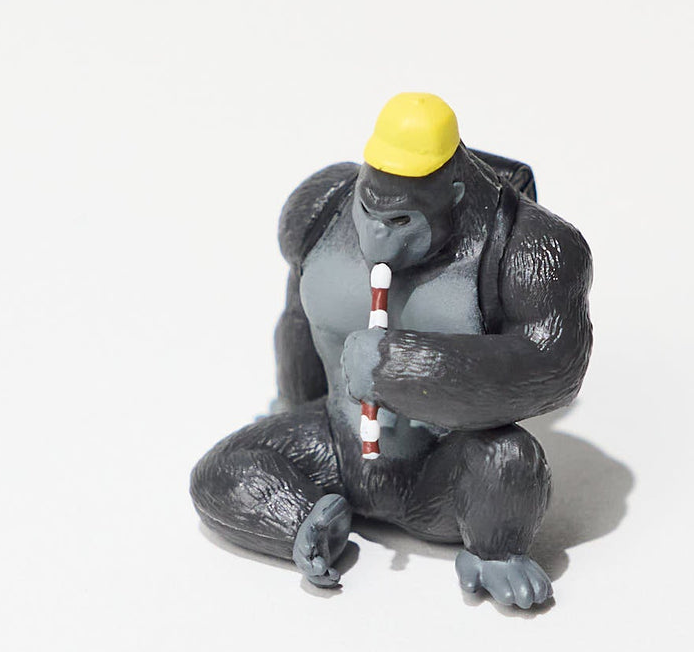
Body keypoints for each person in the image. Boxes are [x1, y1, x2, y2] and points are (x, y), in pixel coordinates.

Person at [190, 93, 593, 609]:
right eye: (369, 212)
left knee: (510, 459)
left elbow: (553, 364)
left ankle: (494, 551)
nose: (377, 241)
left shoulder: (527, 245)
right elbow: (298, 318)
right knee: (222, 471)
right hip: (337, 443)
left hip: (441, 469)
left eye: (401, 222)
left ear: (453, 195)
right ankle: (306, 523)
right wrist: (294, 400)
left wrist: (403, 368)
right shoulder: (322, 207)